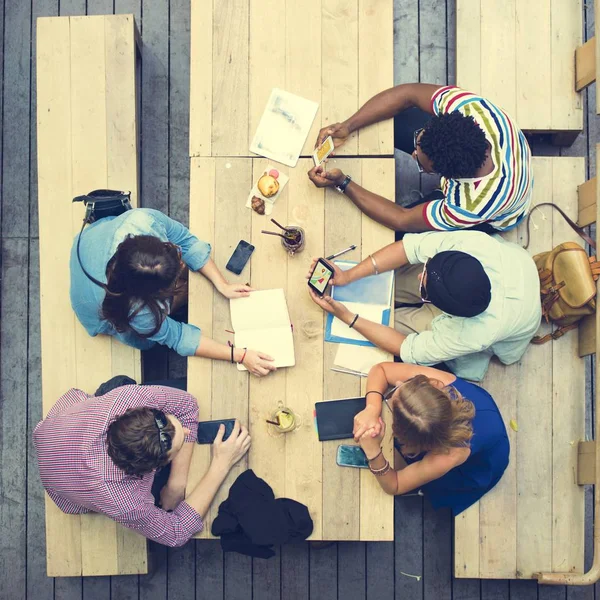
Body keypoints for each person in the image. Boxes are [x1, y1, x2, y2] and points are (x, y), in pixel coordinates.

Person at [33, 382, 251, 547]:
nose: (186, 431)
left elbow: (187, 406)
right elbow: (176, 533)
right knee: (160, 507)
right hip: (68, 490)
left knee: (120, 381)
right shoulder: (124, 501)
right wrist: (221, 464)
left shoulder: (126, 398)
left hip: (53, 435)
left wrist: (176, 484)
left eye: (168, 417)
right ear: (152, 469)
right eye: (178, 446)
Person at [307, 229, 541, 382]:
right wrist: (348, 276)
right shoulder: (470, 244)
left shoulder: (473, 333)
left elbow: (406, 348)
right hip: (513, 273)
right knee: (388, 279)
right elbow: (408, 248)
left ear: (444, 310)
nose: (420, 277)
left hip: (514, 318)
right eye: (426, 269)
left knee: (389, 321)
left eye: (423, 289)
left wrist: (349, 318)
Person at [70, 207, 275, 376]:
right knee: (163, 323)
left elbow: (186, 241)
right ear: (154, 294)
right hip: (96, 308)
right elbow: (177, 337)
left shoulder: (144, 220)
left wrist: (222, 284)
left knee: (188, 287)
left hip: (90, 247)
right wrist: (240, 355)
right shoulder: (137, 312)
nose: (181, 262)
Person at [307, 83, 533, 234]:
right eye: (419, 141)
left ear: (446, 176)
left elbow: (402, 219)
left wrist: (343, 183)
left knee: (401, 237)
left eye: (419, 163)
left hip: (498, 215)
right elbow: (408, 95)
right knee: (400, 118)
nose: (413, 153)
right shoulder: (470, 108)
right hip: (506, 161)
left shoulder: (468, 205)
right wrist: (348, 125)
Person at [353, 362, 509, 515]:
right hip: (478, 415)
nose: (399, 382)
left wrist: (373, 452)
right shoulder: (438, 384)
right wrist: (372, 408)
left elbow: (395, 485)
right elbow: (381, 369)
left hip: (482, 462)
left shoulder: (449, 455)